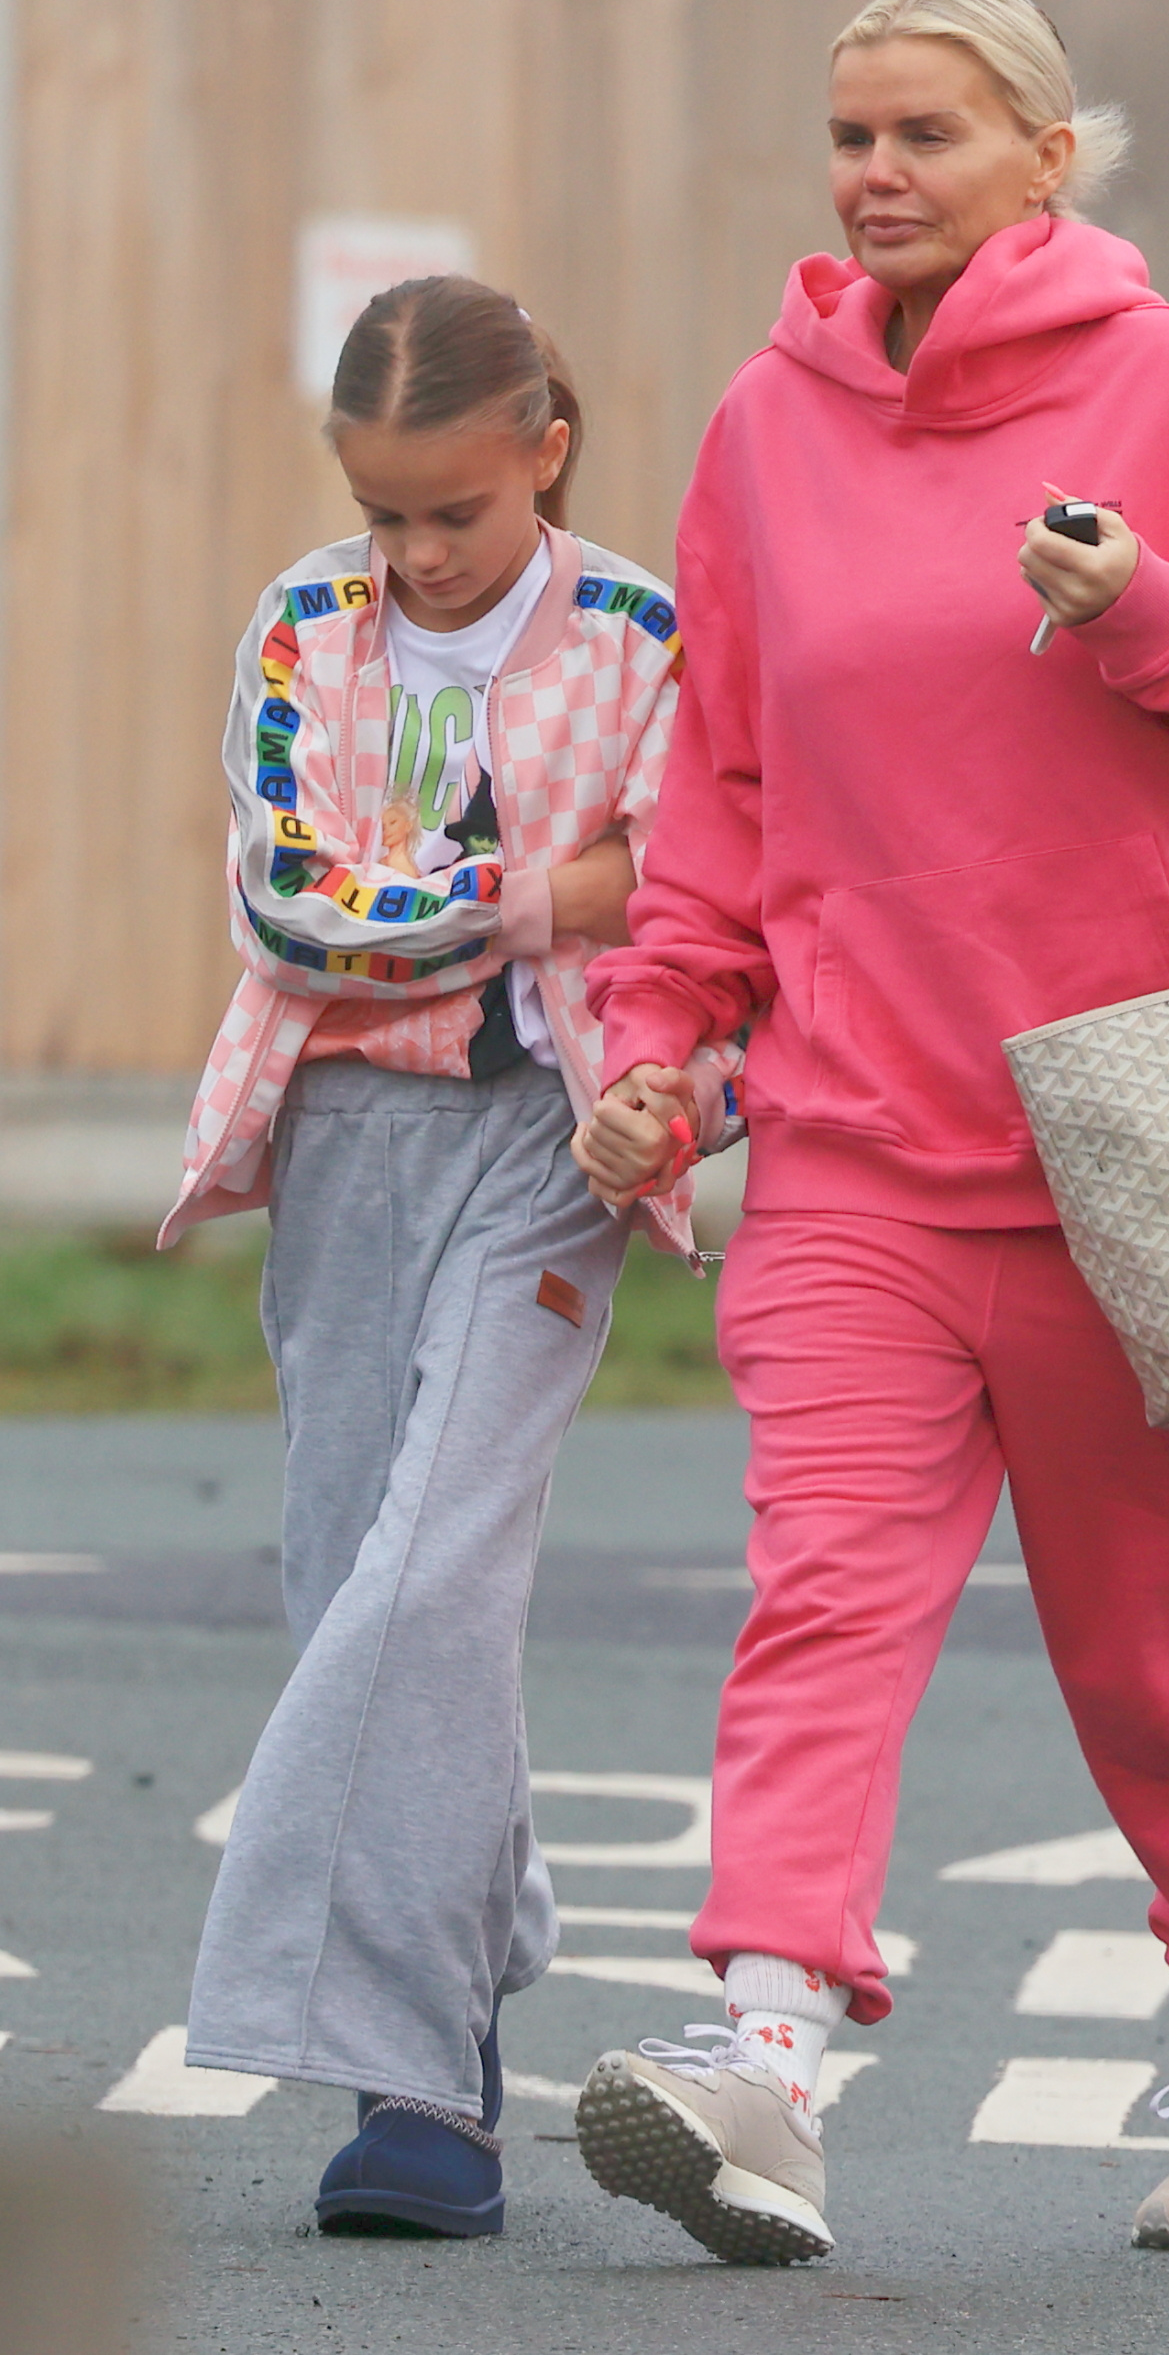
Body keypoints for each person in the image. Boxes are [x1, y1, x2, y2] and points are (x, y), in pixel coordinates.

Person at [573, 0, 1169, 2265]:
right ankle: (756, 2045)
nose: (874, 175)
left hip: (1135, 1139)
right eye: (849, 136)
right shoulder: (763, 428)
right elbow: (713, 784)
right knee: (820, 1595)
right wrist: (661, 1041)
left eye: (923, 133)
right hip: (847, 1138)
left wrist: (1148, 613)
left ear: (1046, 154)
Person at [170, 276, 740, 2239]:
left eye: (453, 517)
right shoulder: (298, 623)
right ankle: (472, 1924)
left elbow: (701, 906)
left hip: (547, 1143)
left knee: (427, 1576)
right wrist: (543, 892)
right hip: (339, 1132)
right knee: (354, 1575)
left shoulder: (651, 636)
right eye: (384, 513)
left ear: (543, 451)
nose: (412, 555)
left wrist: (657, 1062)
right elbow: (292, 916)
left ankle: (411, 2087)